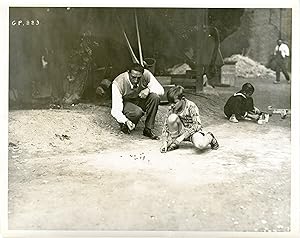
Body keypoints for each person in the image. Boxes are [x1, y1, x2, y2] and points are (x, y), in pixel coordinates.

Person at [111, 63, 164, 139]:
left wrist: (148, 90)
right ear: (128, 72)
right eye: (133, 77)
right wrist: (125, 120)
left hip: (140, 99)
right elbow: (115, 110)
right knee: (137, 112)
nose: (136, 81)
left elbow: (161, 90)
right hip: (126, 103)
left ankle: (148, 129)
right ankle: (125, 124)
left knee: (155, 97)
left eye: (139, 78)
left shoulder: (146, 74)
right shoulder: (118, 82)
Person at [160, 85, 219, 153]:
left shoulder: (191, 106)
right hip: (180, 130)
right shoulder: (172, 108)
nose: (172, 105)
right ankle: (174, 141)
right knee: (172, 118)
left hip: (193, 132)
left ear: (182, 99)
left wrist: (181, 137)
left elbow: (197, 125)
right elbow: (166, 126)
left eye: (175, 102)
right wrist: (164, 142)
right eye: (171, 103)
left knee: (200, 145)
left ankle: (210, 137)